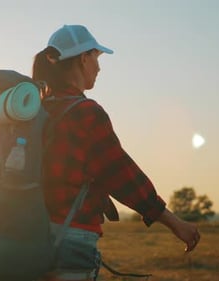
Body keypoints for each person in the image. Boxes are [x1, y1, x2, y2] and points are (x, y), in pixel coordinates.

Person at [32, 24, 200, 281]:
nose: (98, 68)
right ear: (83, 58)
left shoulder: (35, 111)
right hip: (69, 241)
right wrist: (176, 223)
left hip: (27, 239)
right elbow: (120, 174)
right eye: (96, 58)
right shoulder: (86, 113)